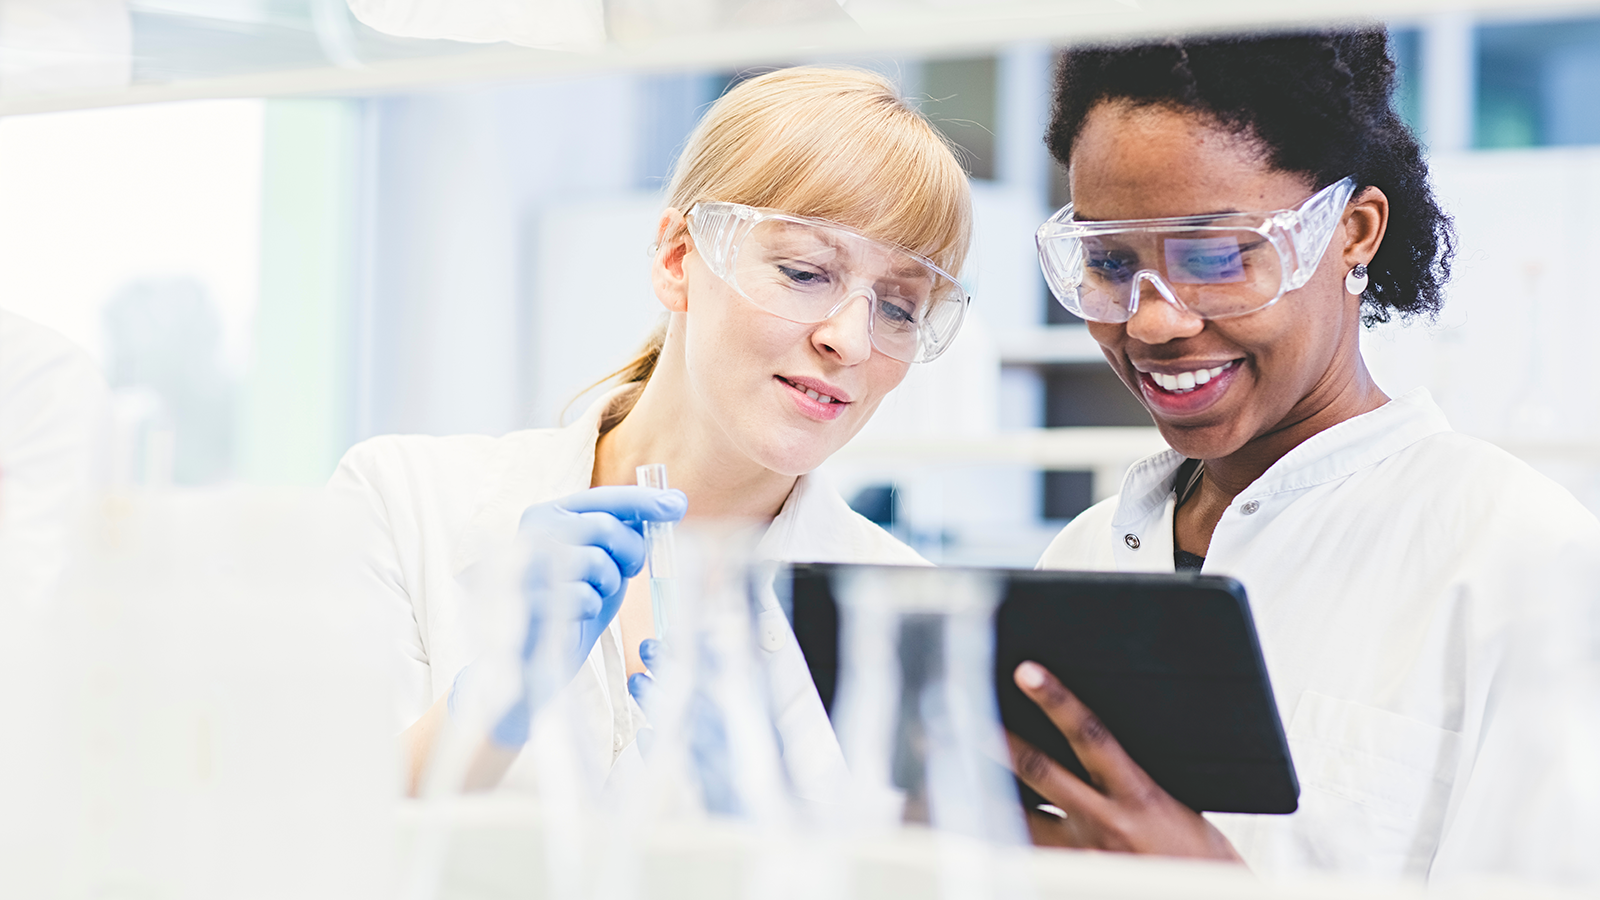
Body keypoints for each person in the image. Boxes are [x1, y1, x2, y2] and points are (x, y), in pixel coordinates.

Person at [1006, 29, 1600, 886]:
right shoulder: (1082, 560)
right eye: (1108, 261)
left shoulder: (1522, 561)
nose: (1151, 322)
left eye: (1215, 257)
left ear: (1353, 232)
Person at [330, 66, 973, 796]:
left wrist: (767, 847)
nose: (852, 341)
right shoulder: (404, 503)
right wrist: (488, 709)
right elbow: (301, 849)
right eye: (803, 271)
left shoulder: (918, 619)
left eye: (898, 307)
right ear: (677, 260)